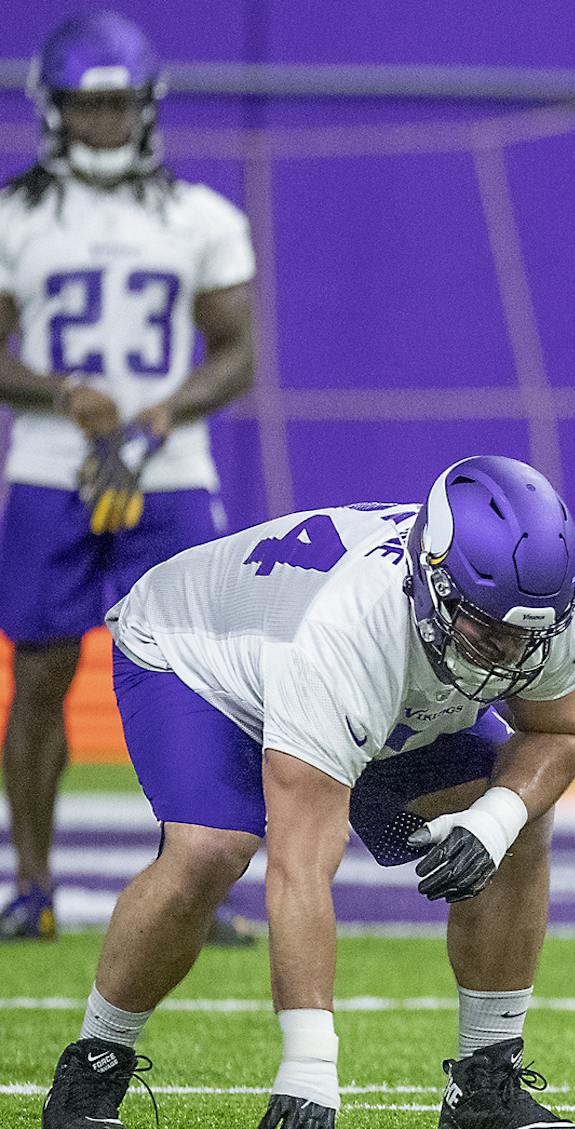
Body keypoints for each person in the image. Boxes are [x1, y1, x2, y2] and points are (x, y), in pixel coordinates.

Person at [38, 456, 575, 1129]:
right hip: (198, 660)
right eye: (486, 630)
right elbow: (301, 865)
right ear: (432, 578)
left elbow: (561, 729)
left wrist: (495, 818)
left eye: (525, 637)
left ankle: (484, 1092)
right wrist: (310, 1061)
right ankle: (96, 1059)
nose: (507, 655)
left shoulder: (546, 608)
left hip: (380, 690)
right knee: (210, 852)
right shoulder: (349, 629)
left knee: (519, 817)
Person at [1, 11, 257, 944]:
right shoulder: (13, 216)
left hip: (169, 468)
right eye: (85, 105)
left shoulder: (202, 217)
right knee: (40, 671)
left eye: (117, 105)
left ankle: (196, 882)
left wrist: (161, 414)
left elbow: (236, 353)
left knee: (200, 674)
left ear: (144, 108)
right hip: (48, 468)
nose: (103, 122)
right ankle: (31, 884)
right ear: (55, 110)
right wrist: (65, 391)